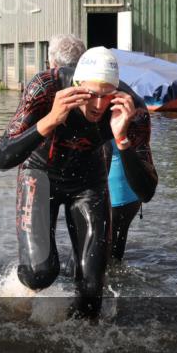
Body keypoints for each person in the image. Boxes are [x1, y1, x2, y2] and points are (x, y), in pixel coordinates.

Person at [0, 46, 157, 320]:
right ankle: (20, 288)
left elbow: (146, 191)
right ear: (76, 85)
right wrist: (50, 120)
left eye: (106, 97)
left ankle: (75, 347)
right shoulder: (45, 88)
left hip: (88, 182)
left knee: (92, 293)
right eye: (90, 95)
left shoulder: (133, 109)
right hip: (39, 174)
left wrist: (122, 139)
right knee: (40, 274)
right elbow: (3, 156)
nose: (97, 105)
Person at [47, 35, 143, 263]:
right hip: (130, 191)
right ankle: (116, 297)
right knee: (111, 262)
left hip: (107, 190)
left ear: (53, 65)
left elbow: (101, 151)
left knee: (82, 262)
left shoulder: (79, 98)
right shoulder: (111, 91)